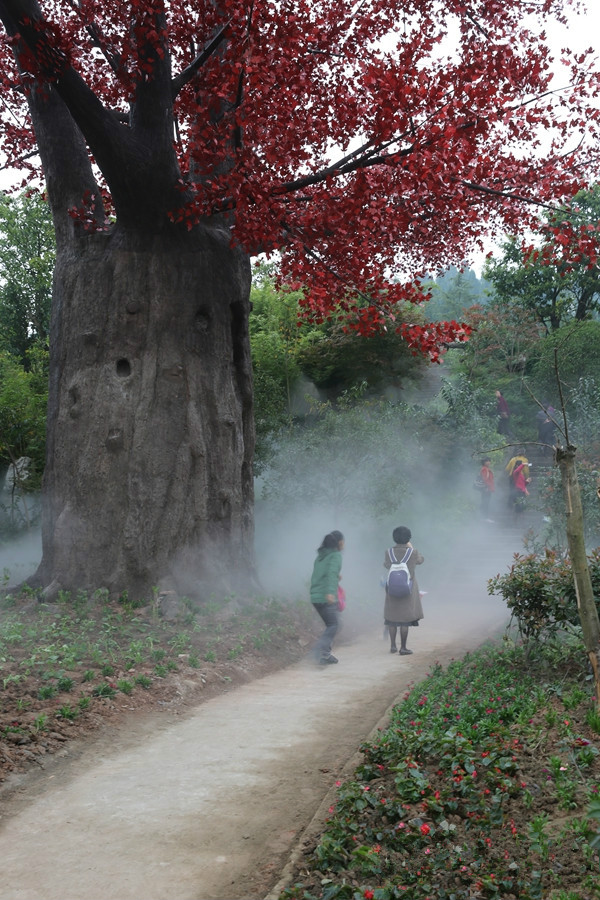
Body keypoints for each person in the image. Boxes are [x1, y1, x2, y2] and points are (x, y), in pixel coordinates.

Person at [383, 526, 424, 656]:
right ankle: (404, 648)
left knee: (392, 618)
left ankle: (393, 646)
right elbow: (421, 560)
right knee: (404, 619)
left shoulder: (388, 552)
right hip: (408, 589)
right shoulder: (413, 552)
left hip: (392, 588)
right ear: (408, 539)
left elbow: (386, 565)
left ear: (394, 538)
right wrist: (411, 548)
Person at [310, 530, 344, 665]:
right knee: (334, 624)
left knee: (333, 624)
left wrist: (336, 577)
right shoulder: (336, 555)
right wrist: (330, 593)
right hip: (326, 596)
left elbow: (322, 573)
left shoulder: (320, 556)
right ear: (340, 542)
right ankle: (320, 652)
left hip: (315, 596)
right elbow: (331, 573)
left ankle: (325, 654)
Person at [479, 457, 495, 521]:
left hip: (488, 488)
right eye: (487, 461)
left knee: (486, 502)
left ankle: (483, 517)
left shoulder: (487, 469)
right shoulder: (484, 469)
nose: (488, 462)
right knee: (485, 503)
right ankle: (484, 517)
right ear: (484, 462)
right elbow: (485, 479)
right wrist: (487, 487)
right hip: (486, 489)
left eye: (489, 461)